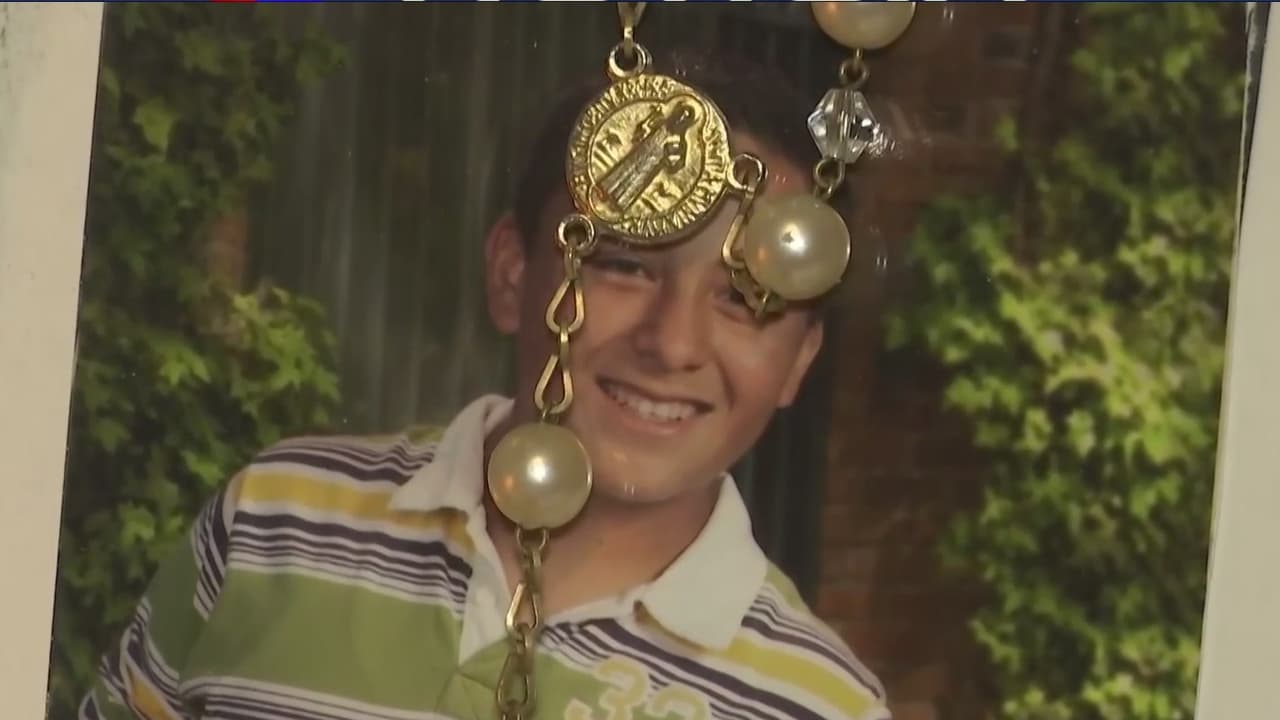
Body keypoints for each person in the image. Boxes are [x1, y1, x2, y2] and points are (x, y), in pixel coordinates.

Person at [80, 48, 891, 720]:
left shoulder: (817, 703)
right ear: (512, 274)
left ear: (800, 359)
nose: (672, 343)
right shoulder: (274, 524)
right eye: (623, 266)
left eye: (744, 301)